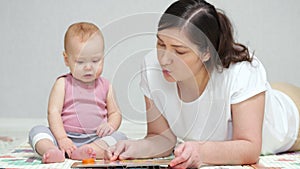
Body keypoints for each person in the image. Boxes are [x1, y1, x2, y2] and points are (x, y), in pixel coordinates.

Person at [105, 0, 300, 168]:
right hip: (256, 98)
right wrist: (135, 148)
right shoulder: (152, 68)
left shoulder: (242, 72)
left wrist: (201, 151)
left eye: (179, 51)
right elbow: (162, 138)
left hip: (290, 118)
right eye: (160, 44)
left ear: (207, 52)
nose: (164, 59)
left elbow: (249, 147)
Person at [28, 22, 127, 163]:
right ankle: (51, 150)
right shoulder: (63, 84)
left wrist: (110, 125)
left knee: (120, 137)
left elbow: (115, 113)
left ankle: (89, 151)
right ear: (66, 59)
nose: (88, 67)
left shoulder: (106, 86)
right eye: (80, 62)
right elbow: (53, 112)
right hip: (63, 137)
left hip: (95, 138)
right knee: (37, 131)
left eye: (95, 60)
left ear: (103, 58)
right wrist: (62, 139)